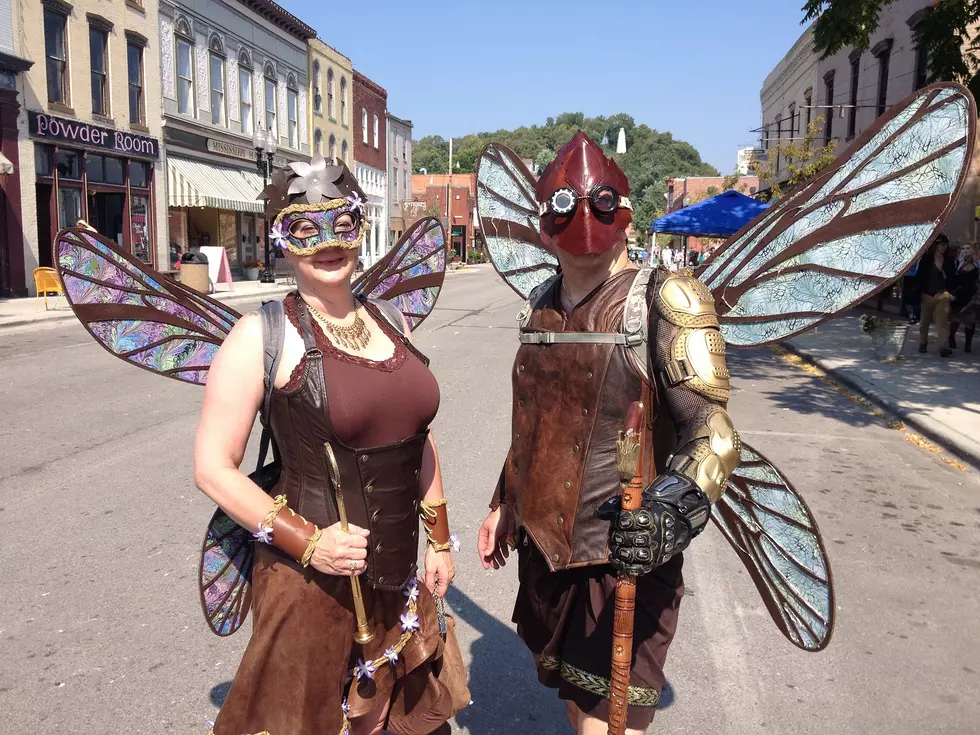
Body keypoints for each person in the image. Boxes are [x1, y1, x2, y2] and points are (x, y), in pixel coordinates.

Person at [476, 133, 740, 735]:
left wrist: (669, 513)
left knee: (606, 723)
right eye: (567, 204)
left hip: (624, 557)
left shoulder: (667, 298)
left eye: (600, 202)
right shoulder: (538, 306)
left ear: (624, 216)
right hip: (544, 552)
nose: (585, 217)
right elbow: (535, 425)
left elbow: (713, 430)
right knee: (577, 704)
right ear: (545, 225)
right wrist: (503, 503)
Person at [194, 154, 460, 735]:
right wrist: (311, 543)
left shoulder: (392, 319)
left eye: (342, 225)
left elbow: (419, 436)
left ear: (361, 227)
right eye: (303, 229)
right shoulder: (258, 336)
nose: (326, 243)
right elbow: (213, 469)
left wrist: (438, 538)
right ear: (281, 240)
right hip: (310, 583)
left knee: (392, 719)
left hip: (395, 576)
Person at [916, 233, 956, 357]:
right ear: (935, 245)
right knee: (924, 321)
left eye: (945, 245)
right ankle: (923, 343)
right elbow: (920, 277)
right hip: (927, 294)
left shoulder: (949, 260)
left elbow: (953, 278)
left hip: (943, 295)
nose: (943, 247)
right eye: (941, 245)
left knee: (942, 322)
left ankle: (944, 347)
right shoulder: (927, 259)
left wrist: (951, 293)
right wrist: (918, 292)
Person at [949, 244, 979, 352]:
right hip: (959, 295)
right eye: (964, 248)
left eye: (968, 248)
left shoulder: (977, 264)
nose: (966, 250)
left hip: (972, 296)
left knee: (970, 321)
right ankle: (951, 338)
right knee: (955, 319)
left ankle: (968, 343)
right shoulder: (957, 263)